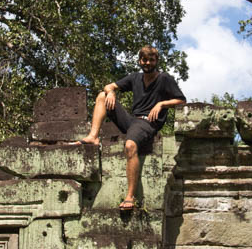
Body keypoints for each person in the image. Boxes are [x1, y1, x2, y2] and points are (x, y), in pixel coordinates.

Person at [79, 46, 186, 210]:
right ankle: (93, 136)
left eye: (151, 60)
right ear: (139, 61)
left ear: (156, 61)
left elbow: (181, 100)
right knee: (102, 95)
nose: (148, 63)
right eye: (145, 60)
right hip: (131, 120)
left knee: (130, 145)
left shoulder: (164, 78)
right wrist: (112, 92)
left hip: (147, 123)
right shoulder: (135, 77)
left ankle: (130, 196)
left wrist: (161, 104)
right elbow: (109, 86)